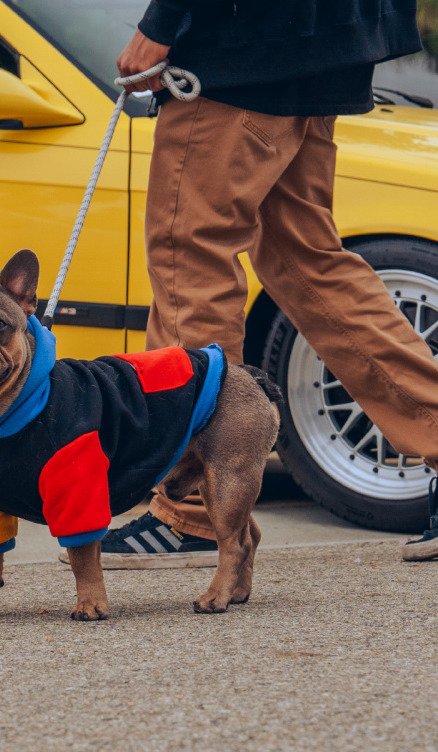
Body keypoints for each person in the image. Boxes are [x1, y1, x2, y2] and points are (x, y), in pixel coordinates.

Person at [100, 0, 438, 565]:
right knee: (308, 260)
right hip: (324, 46)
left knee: (191, 259)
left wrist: (161, 25)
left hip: (239, 51)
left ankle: (195, 511)